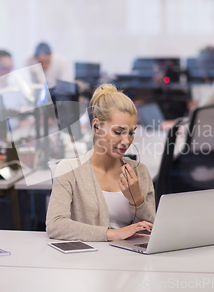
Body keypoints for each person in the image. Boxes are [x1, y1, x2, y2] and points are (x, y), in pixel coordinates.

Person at [46, 84, 155, 241]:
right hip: (88, 262)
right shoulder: (69, 169)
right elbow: (56, 225)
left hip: (131, 261)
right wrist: (113, 234)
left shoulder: (140, 171)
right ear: (96, 126)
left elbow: (151, 231)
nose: (126, 141)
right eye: (118, 132)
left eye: (131, 133)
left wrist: (137, 200)